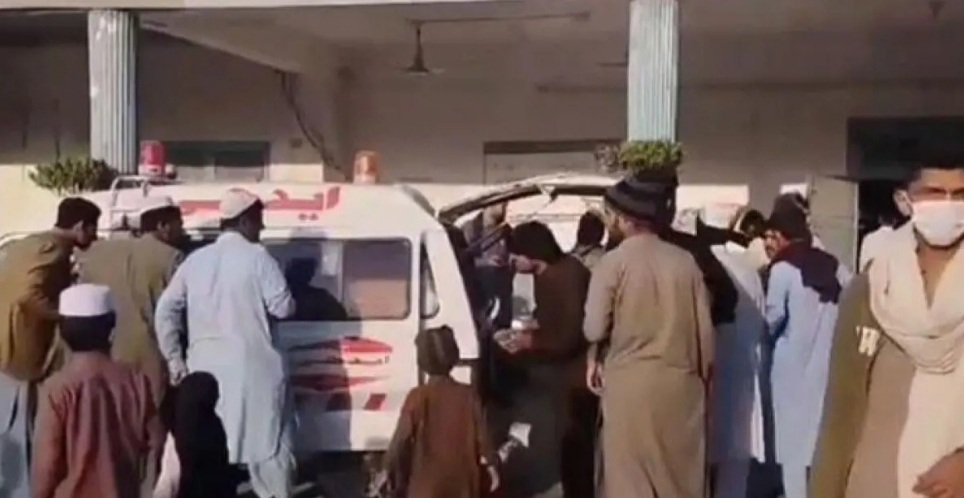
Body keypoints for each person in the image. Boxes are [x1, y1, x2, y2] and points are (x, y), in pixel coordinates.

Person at [810, 162, 964, 498]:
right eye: (934, 192)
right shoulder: (872, 290)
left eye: (959, 194)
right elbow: (842, 414)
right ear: (905, 200)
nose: (948, 204)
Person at [155, 189, 296, 498]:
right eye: (258, 220)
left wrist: (175, 361)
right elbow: (283, 308)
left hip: (205, 375)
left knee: (206, 457)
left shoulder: (195, 261)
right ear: (244, 221)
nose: (261, 227)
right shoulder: (258, 257)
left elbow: (165, 310)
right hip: (255, 374)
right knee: (269, 451)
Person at [584, 175, 715, 498]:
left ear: (622, 218)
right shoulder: (686, 262)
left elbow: (594, 328)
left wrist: (593, 359)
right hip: (681, 388)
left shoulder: (613, 263)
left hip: (630, 390)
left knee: (630, 484)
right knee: (679, 483)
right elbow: (706, 340)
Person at [0, 197, 100, 498]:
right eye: (92, 229)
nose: (94, 237)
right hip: (25, 352)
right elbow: (27, 294)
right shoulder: (54, 250)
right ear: (79, 226)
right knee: (23, 432)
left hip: (9, 348)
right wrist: (64, 312)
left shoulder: (28, 243)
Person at [32, 284, 162, 498]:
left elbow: (47, 464)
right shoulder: (136, 381)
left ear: (63, 331)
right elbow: (156, 443)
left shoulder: (57, 388)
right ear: (110, 326)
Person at [762, 206, 849, 498]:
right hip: (825, 364)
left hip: (789, 369)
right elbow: (852, 295)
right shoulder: (834, 265)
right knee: (818, 440)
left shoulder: (782, 270)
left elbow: (773, 316)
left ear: (782, 235)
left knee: (791, 446)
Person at [504, 221, 594, 498]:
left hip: (577, 380)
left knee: (576, 451)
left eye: (515, 256)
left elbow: (571, 334)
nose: (512, 262)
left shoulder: (568, 276)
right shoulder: (547, 275)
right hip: (560, 378)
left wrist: (531, 341)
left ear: (532, 253)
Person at [78, 196, 185, 405]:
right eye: (178, 225)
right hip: (154, 358)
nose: (182, 232)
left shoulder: (100, 253)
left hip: (108, 356)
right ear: (163, 226)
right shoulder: (171, 257)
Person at [383, 326, 498, 498]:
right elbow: (483, 438)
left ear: (422, 361)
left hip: (426, 487)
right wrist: (492, 465)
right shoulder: (468, 395)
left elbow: (400, 441)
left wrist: (387, 469)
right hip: (463, 487)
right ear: (454, 355)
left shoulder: (417, 397)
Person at [700, 210, 768, 498]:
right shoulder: (748, 268)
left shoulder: (701, 264)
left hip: (709, 373)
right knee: (735, 466)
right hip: (744, 373)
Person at [857, 193, 911, 272]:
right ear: (895, 220)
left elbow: (863, 264)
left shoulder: (869, 238)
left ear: (880, 219)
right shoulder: (900, 238)